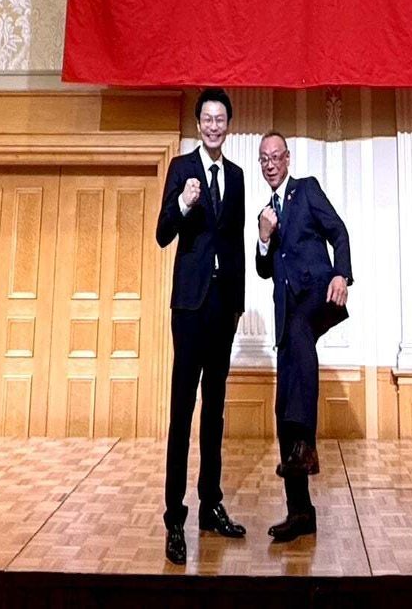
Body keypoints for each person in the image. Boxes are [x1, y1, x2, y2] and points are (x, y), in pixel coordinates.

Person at [156, 88, 247, 565]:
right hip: (190, 308)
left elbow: (236, 244)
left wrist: (238, 305)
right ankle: (175, 517)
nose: (214, 126)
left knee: (215, 410)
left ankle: (211, 505)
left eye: (220, 119)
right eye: (207, 119)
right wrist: (184, 203)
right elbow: (162, 234)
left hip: (222, 308)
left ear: (228, 125)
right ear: (198, 125)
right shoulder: (180, 168)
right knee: (182, 411)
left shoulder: (237, 175)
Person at [255, 130, 352, 543]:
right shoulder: (266, 213)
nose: (271, 164)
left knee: (299, 330)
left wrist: (341, 274)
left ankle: (307, 443)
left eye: (276, 156)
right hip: (288, 314)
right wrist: (263, 236)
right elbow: (263, 269)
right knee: (282, 409)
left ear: (288, 159)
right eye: (264, 159)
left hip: (318, 293)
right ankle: (300, 512)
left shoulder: (306, 190)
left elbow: (339, 231)